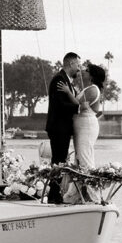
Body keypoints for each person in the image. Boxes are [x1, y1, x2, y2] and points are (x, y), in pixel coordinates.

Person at [62, 63, 106, 204]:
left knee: (85, 158)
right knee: (79, 159)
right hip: (81, 126)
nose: (83, 72)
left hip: (87, 126)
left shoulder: (93, 90)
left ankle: (95, 197)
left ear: (92, 75)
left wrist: (68, 92)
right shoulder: (88, 88)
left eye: (87, 71)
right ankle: (75, 196)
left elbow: (77, 105)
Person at [45, 51, 82, 203]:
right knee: (58, 160)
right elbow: (59, 105)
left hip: (63, 128)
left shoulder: (66, 81)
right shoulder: (59, 80)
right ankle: (54, 194)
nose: (79, 68)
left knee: (61, 160)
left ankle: (55, 192)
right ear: (71, 63)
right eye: (78, 64)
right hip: (58, 127)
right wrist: (78, 108)